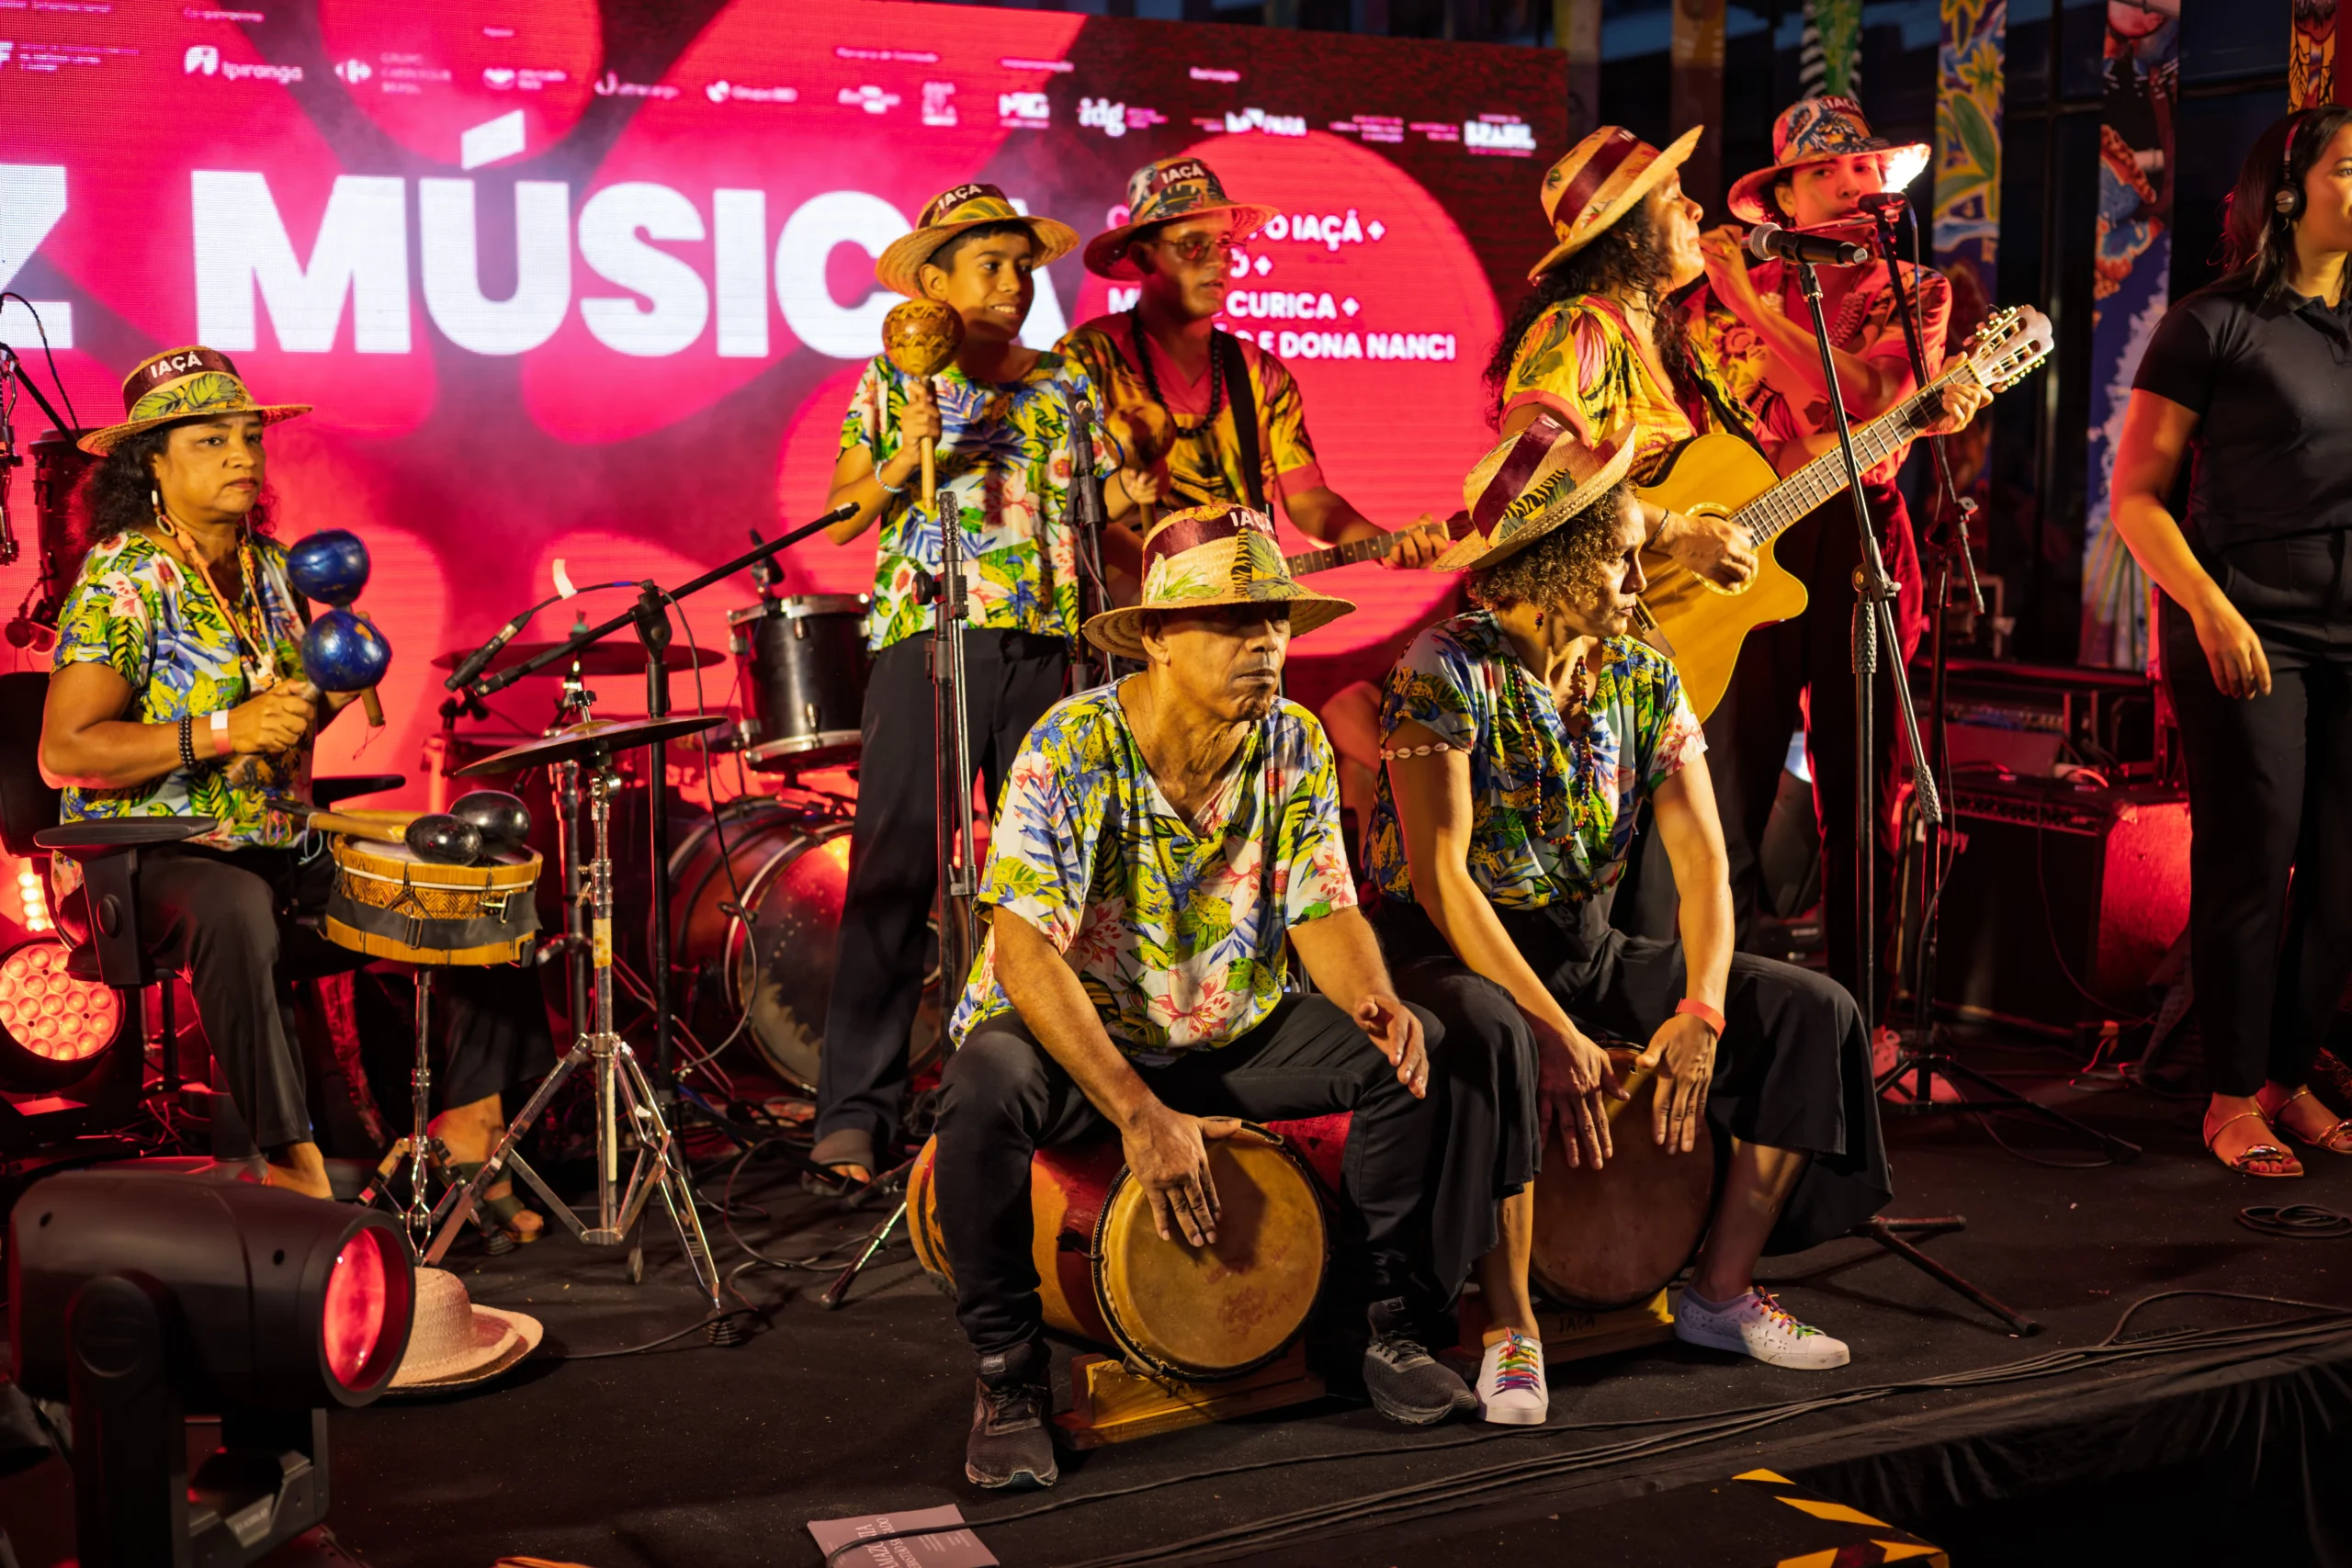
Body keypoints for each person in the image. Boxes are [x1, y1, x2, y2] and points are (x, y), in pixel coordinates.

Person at [936, 504, 1520, 1488]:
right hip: (1083, 1034)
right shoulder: (1071, 744)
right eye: (1235, 622)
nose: (1267, 644)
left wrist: (1373, 999)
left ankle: (1375, 1326)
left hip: (1225, 1023)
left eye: (1277, 621)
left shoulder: (1289, 738)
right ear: (1158, 638)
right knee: (983, 1083)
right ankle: (1008, 1375)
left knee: (1407, 1045)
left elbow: (1322, 909)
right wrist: (1135, 1110)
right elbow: (1025, 952)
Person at [1363, 416, 1894, 1423]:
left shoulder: (1642, 675)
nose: (1637, 582)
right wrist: (1552, 1029)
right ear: (1554, 566)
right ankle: (1509, 1327)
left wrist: (1701, 1007)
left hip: (1581, 938)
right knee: (1494, 1036)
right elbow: (1441, 881)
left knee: (1808, 1012)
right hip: (1446, 946)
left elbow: (1701, 863)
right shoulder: (1444, 667)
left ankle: (1720, 1293)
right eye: (1616, 563)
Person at [39, 346, 554, 1219]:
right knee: (235, 904)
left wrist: (325, 693)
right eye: (209, 441)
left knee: (468, 874)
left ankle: (470, 1129)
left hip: (275, 836)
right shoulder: (124, 578)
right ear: (150, 465)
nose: (243, 455)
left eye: (247, 437)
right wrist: (224, 729)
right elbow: (68, 750)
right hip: (145, 856)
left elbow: (279, 735)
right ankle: (292, 1169)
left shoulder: (276, 571)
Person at [810, 184, 1161, 1188]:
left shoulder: (1062, 385)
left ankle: (1059, 1090)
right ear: (933, 283)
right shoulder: (891, 379)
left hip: (1045, 648)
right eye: (990, 267)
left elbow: (1108, 523)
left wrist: (1161, 525)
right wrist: (904, 463)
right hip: (928, 638)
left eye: (1022, 268)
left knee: (1052, 878)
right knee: (892, 876)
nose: (1013, 286)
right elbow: (839, 519)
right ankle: (852, 1115)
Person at [2106, 106, 2352, 1178]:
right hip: (2246, 618)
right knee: (2252, 859)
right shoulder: (2213, 324)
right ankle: (2226, 1095)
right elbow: (2137, 497)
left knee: (2346, 874)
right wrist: (2209, 609)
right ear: (2290, 190)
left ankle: (2287, 1078)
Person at [1680, 96, 1956, 1018]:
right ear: (1785, 195)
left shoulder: (1915, 287)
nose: (1855, 179)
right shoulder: (1707, 293)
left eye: (1867, 165)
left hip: (1856, 532)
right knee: (1727, 778)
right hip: (1741, 538)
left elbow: (1877, 407)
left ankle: (1860, 1015)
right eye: (1830, 169)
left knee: (1859, 784)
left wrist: (1752, 317)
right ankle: (1710, 1003)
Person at [1059, 155, 1451, 580]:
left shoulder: (1258, 373)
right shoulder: (1088, 358)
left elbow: (1308, 501)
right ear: (1143, 255)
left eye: (1226, 243)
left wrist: (1381, 542)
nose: (1217, 261)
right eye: (1193, 244)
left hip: (1246, 620)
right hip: (1129, 625)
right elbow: (1059, 504)